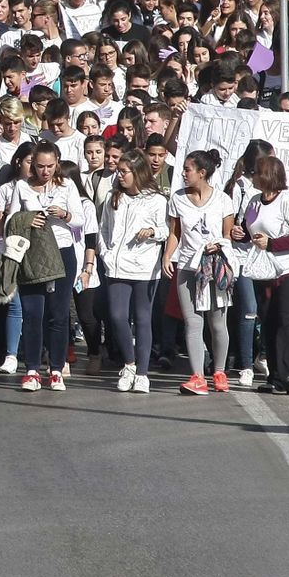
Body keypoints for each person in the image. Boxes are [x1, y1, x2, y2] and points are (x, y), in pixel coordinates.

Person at [7, 142, 87, 392]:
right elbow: (10, 221)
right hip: (33, 252)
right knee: (33, 312)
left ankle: (56, 368)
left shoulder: (67, 185)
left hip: (62, 251)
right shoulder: (21, 186)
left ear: (57, 162)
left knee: (59, 313)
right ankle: (31, 369)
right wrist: (28, 218)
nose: (45, 171)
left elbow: (81, 221)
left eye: (50, 166)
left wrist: (64, 214)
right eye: (39, 166)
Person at [232, 155, 289, 395]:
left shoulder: (286, 201)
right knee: (268, 320)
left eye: (255, 172)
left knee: (287, 319)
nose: (252, 176)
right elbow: (250, 230)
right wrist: (240, 234)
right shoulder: (254, 201)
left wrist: (272, 244)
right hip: (264, 269)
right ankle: (274, 375)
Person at [163, 148, 235, 395]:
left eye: (187, 169)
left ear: (202, 173)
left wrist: (220, 244)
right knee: (193, 322)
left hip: (215, 266)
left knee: (217, 322)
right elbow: (175, 232)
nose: (183, 174)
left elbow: (228, 235)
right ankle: (197, 376)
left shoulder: (223, 200)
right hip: (187, 265)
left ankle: (219, 371)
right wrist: (167, 255)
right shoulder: (177, 198)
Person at [98, 149, 166, 394]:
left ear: (137, 173)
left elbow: (166, 230)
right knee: (117, 316)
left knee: (143, 319)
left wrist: (152, 231)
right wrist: (105, 253)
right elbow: (104, 229)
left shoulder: (156, 199)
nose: (120, 176)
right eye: (118, 171)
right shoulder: (113, 197)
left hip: (144, 267)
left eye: (124, 172)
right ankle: (129, 364)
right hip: (116, 266)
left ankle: (142, 373)